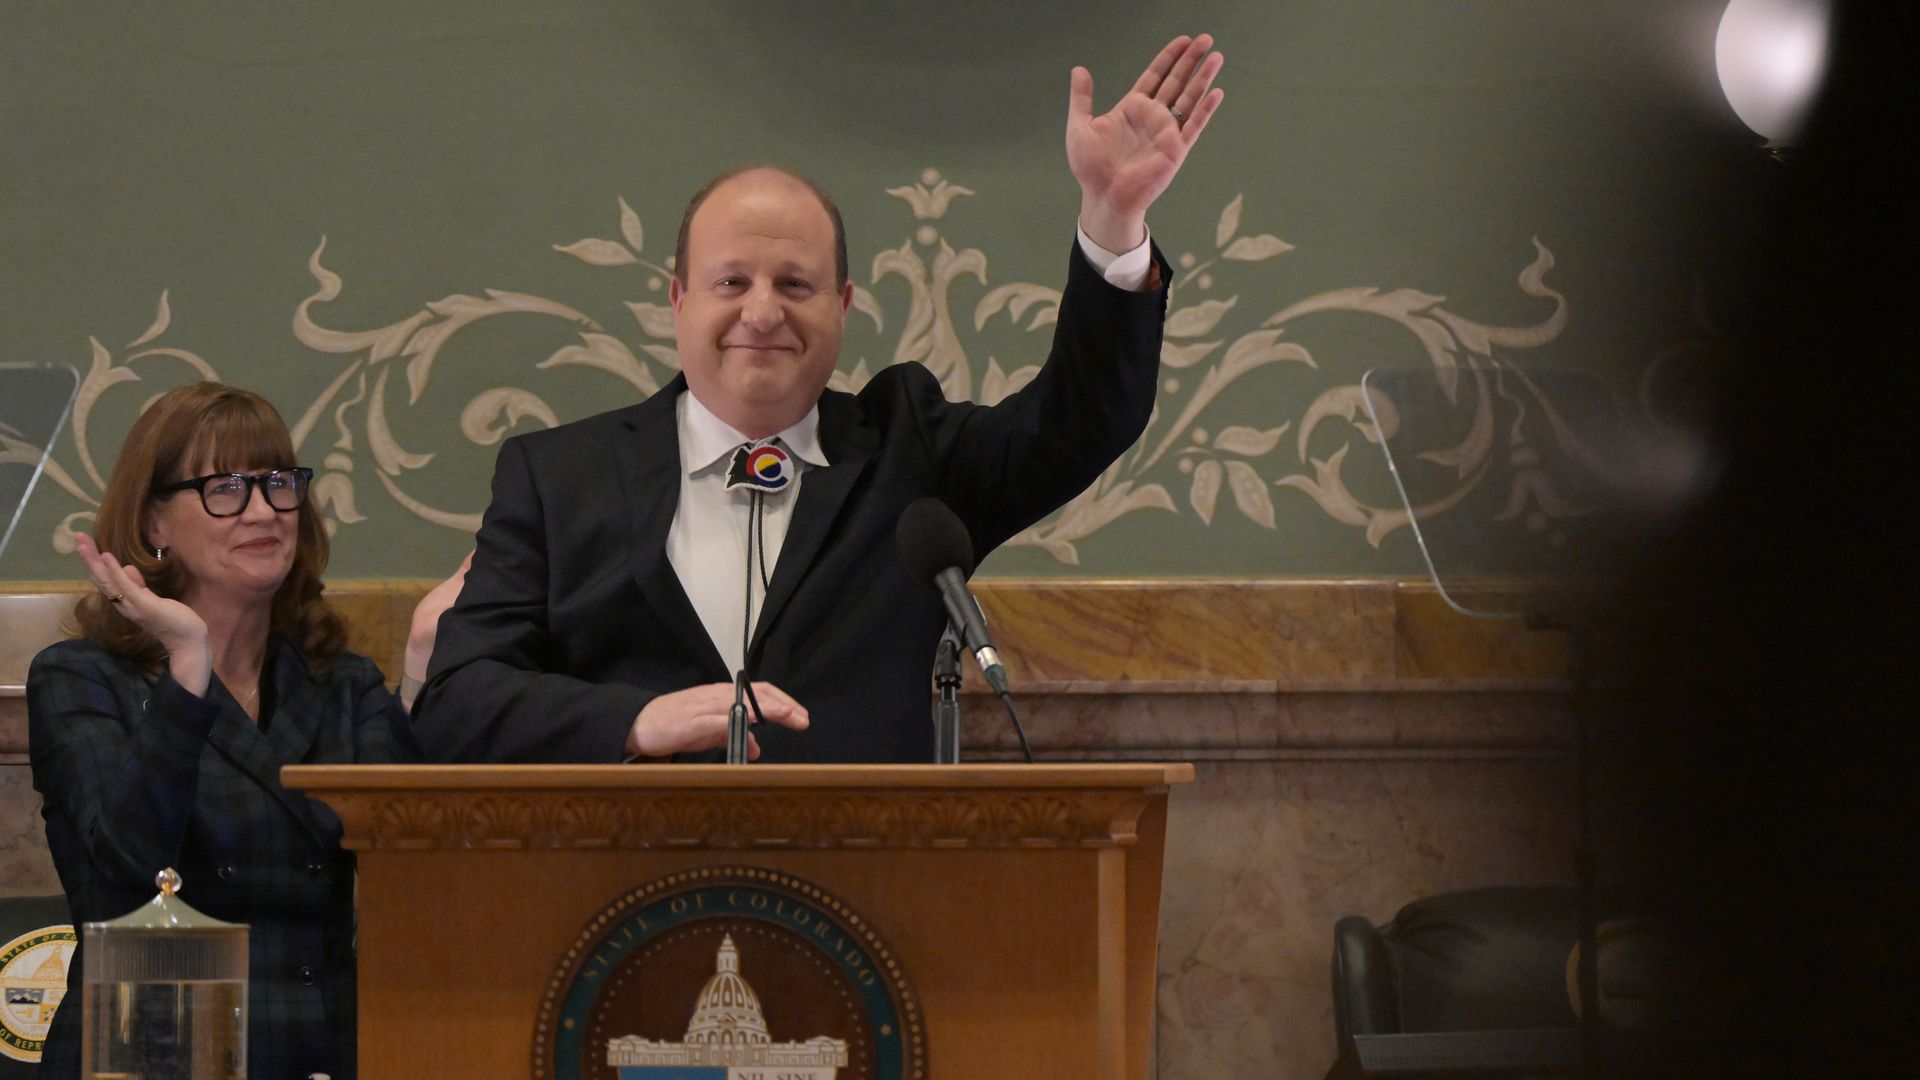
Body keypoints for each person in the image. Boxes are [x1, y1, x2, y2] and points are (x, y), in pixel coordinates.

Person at [414, 34, 1225, 764]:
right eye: (731, 281)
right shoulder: (556, 478)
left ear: (841, 306)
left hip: (861, 901)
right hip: (623, 902)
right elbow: (455, 700)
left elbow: (1083, 420)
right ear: (678, 300)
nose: (762, 312)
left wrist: (1113, 222)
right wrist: (636, 722)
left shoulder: (912, 453)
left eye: (795, 285)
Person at [26, 382, 468, 1080]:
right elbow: (128, 875)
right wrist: (187, 666)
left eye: (277, 483)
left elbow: (417, 870)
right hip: (154, 1056)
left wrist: (420, 666)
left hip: (317, 1051)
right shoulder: (82, 678)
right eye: (226, 487)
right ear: (153, 526)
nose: (263, 510)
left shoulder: (338, 682)